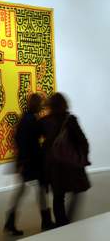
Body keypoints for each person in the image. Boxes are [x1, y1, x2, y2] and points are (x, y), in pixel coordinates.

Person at [4, 93, 54, 236]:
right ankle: (46, 221)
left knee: (24, 191)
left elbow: (17, 139)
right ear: (36, 105)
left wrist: (21, 161)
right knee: (40, 189)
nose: (42, 106)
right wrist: (24, 162)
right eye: (40, 104)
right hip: (31, 163)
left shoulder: (25, 118)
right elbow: (28, 142)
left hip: (26, 162)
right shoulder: (31, 120)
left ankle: (10, 222)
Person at [40, 92, 91, 227]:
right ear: (64, 104)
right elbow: (83, 141)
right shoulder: (70, 120)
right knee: (77, 191)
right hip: (71, 164)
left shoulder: (44, 121)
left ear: (50, 105)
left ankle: (61, 223)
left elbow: (41, 145)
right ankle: (68, 221)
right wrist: (83, 158)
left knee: (58, 196)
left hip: (53, 166)